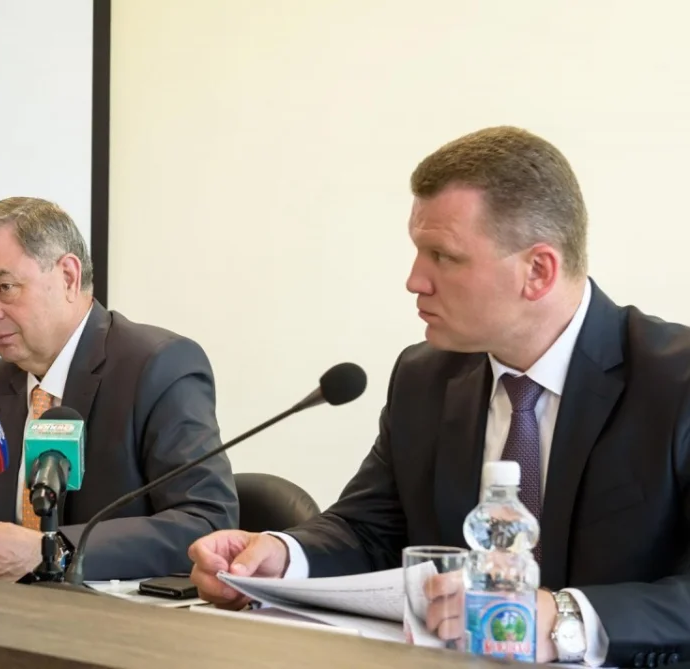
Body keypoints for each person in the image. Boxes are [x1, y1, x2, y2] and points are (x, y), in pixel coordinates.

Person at [187, 127, 690, 667]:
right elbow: (370, 528)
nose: (415, 280)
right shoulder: (424, 376)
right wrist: (282, 558)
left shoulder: (674, 383)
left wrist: (561, 617)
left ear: (538, 271)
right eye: (417, 252)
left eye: (443, 256)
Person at [0, 196, 238, 582]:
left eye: (5, 287)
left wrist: (52, 549)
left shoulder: (156, 366)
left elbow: (207, 521)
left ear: (68, 276)